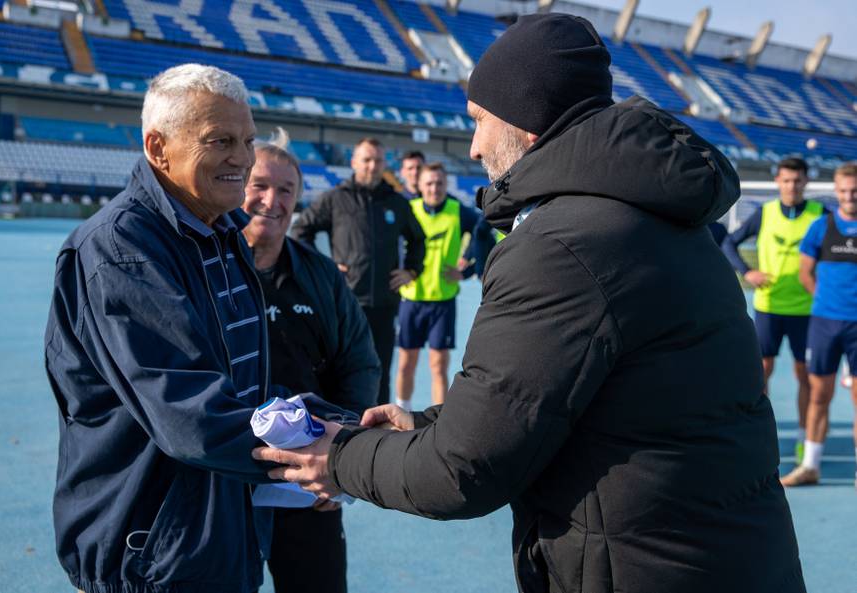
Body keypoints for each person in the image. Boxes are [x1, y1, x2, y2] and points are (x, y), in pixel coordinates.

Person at [255, 14, 805, 593]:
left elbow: (461, 471)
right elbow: (571, 397)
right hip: (719, 554)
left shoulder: (560, 244)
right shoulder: (656, 215)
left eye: (479, 122)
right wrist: (425, 423)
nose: (473, 146)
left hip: (645, 567)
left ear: (527, 119)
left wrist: (340, 459)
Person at [44, 64, 279, 593]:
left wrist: (340, 422)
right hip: (152, 553)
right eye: (220, 140)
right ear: (158, 148)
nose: (242, 158)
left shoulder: (221, 235)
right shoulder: (119, 251)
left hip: (216, 535)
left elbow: (246, 390)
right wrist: (329, 455)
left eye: (248, 140)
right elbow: (192, 414)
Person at [242, 129, 380, 592]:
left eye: (286, 190)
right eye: (258, 185)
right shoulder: (206, 269)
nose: (271, 200)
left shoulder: (320, 274)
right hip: (225, 486)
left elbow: (359, 365)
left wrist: (343, 461)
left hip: (308, 483)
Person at [292, 137, 426, 405]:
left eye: (377, 160)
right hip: (345, 303)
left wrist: (411, 271)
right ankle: (340, 428)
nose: (372, 165)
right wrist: (324, 266)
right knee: (338, 369)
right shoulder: (336, 198)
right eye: (366, 160)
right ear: (354, 162)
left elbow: (419, 240)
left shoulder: (397, 203)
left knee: (380, 370)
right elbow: (299, 231)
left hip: (384, 305)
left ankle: (381, 432)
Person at [722, 157, 824, 461]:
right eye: (786, 180)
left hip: (807, 310)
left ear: (806, 182)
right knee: (761, 371)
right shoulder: (763, 214)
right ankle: (760, 433)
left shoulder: (821, 216)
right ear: (778, 181)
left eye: (797, 180)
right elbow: (729, 243)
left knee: (805, 375)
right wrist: (746, 272)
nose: (792, 186)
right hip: (769, 307)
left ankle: (804, 438)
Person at [781, 162, 857, 487]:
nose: (849, 196)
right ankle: (810, 465)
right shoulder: (821, 227)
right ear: (835, 191)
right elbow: (805, 274)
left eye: (854, 191)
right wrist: (826, 301)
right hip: (825, 323)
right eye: (843, 190)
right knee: (818, 396)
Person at [396, 162, 493, 408]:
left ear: (446, 185)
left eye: (439, 183)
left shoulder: (457, 211)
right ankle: (401, 412)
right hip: (412, 299)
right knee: (406, 363)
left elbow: (483, 232)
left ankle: (435, 421)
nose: (434, 188)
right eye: (429, 183)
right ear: (419, 185)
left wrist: (468, 270)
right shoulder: (408, 209)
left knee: (438, 366)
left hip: (443, 301)